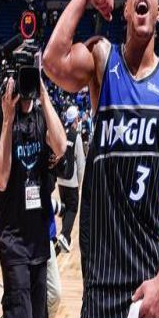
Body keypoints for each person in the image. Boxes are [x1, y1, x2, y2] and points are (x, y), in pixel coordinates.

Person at [42, 0, 159, 318]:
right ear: (126, 9)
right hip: (99, 282)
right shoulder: (101, 59)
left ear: (158, 11)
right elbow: (52, 62)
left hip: (146, 285)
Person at [0, 77, 66, 318]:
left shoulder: (41, 116)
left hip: (38, 239)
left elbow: (61, 146)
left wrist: (44, 94)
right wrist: (8, 120)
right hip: (13, 240)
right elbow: (0, 179)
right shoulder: (1, 118)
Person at [56, 105, 85, 253]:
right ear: (76, 120)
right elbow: (80, 163)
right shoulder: (76, 136)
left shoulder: (62, 132)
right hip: (72, 180)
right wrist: (79, 183)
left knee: (65, 208)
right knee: (72, 209)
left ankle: (65, 240)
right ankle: (64, 235)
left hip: (61, 179)